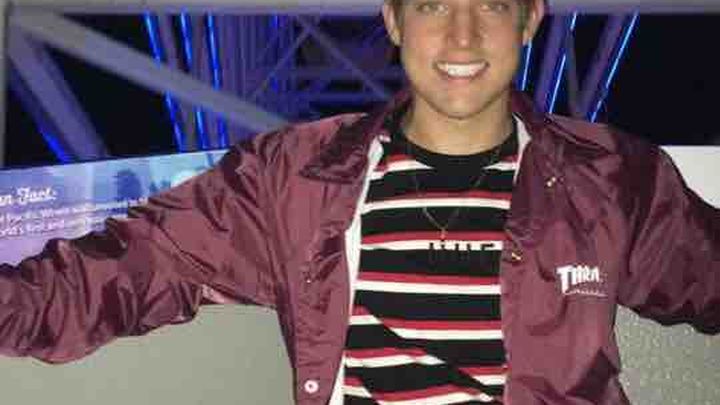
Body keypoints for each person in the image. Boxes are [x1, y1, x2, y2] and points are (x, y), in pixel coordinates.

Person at [1, 0, 718, 404]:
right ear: (394, 20)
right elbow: (132, 266)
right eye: (433, 4)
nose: (462, 35)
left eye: (492, 5)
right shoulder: (296, 178)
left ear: (530, 19)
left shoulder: (612, 179)